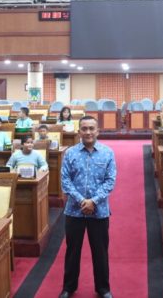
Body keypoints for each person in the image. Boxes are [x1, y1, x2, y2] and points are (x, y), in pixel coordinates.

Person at [59, 116, 116, 298]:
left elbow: (110, 181)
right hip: (74, 211)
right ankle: (68, 287)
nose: (88, 132)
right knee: (72, 251)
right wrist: (82, 200)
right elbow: (65, 181)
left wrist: (94, 201)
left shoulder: (108, 153)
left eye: (92, 128)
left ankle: (103, 288)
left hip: (99, 211)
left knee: (100, 252)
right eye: (84, 128)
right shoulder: (70, 153)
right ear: (79, 132)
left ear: (97, 131)